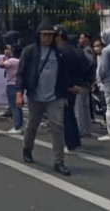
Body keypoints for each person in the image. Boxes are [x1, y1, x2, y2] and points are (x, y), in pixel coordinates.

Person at [17, 19, 71, 176]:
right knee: (32, 125)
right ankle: (27, 149)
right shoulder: (30, 51)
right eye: (44, 35)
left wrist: (65, 95)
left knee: (57, 128)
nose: (47, 38)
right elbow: (21, 73)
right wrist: (19, 93)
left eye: (50, 35)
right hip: (35, 95)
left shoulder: (59, 53)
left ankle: (59, 161)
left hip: (55, 96)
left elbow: (63, 76)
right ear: (38, 36)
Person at [54, 25, 84, 152]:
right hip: (75, 85)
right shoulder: (75, 50)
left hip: (65, 86)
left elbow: (61, 71)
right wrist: (78, 83)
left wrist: (68, 85)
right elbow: (85, 67)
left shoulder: (59, 51)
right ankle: (75, 141)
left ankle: (70, 143)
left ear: (60, 35)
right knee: (70, 113)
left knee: (64, 115)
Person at [75, 32, 96, 137]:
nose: (80, 40)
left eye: (82, 38)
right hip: (87, 82)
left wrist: (86, 78)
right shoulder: (87, 50)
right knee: (85, 107)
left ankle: (82, 129)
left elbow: (89, 65)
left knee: (81, 108)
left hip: (83, 82)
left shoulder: (86, 51)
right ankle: (87, 129)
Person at [0, 46, 23, 134]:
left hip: (11, 84)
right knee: (18, 106)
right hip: (18, 84)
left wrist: (4, 57)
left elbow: (1, 65)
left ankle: (17, 126)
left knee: (13, 106)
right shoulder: (21, 61)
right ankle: (19, 125)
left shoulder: (11, 61)